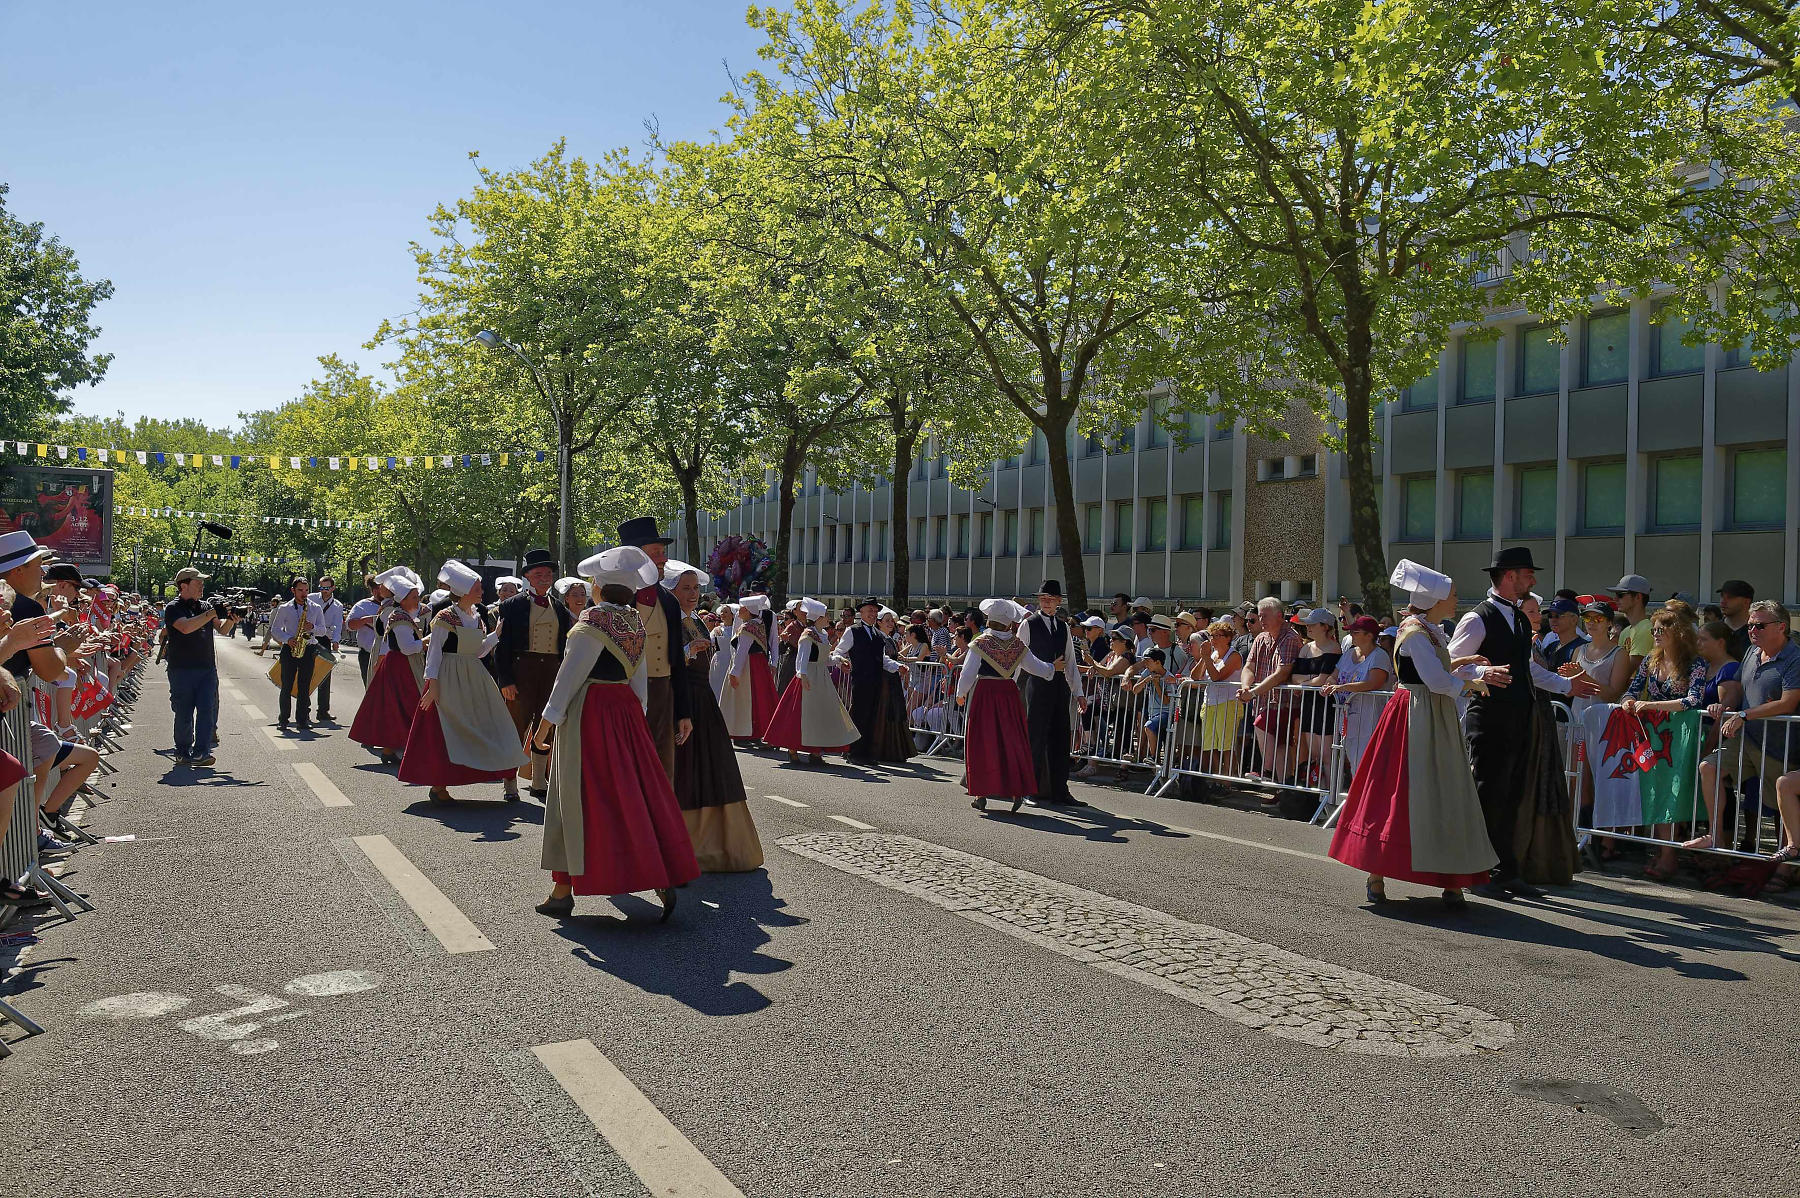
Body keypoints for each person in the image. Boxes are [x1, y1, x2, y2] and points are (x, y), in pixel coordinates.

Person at [535, 546, 699, 921]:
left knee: (574, 796)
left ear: (598, 587)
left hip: (589, 712)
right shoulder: (635, 625)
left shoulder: (590, 622)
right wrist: (634, 722)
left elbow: (568, 679)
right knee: (635, 793)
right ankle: (658, 869)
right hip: (624, 711)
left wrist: (546, 722)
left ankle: (563, 890)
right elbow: (638, 684)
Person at [1328, 560, 1497, 909]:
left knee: (1444, 791)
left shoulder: (1430, 630)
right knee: (1403, 791)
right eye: (1451, 596)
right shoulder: (1415, 634)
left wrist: (1462, 667)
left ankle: (1451, 878)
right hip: (1415, 715)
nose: (1455, 601)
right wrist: (1471, 681)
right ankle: (1382, 872)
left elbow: (1437, 670)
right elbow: (1433, 681)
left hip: (1431, 713)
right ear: (1435, 600)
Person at [1450, 548, 1596, 897]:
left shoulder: (1517, 618)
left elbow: (1525, 668)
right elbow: (1451, 661)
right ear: (1510, 575)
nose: (1533, 579)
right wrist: (1483, 671)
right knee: (1489, 793)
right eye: (1528, 573)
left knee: (1513, 795)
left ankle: (1506, 869)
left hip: (1518, 718)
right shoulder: (1477, 617)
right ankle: (1477, 872)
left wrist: (1564, 685)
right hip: (1488, 717)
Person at [663, 560, 763, 872]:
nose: (693, 594)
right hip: (681, 700)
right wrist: (689, 650)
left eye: (695, 588)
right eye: (686, 589)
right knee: (687, 769)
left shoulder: (696, 621)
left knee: (715, 767)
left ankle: (720, 842)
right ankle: (682, 842)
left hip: (703, 701)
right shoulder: (667, 622)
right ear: (671, 591)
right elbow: (660, 663)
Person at [398, 562, 526, 804]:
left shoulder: (477, 617)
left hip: (474, 676)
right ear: (465, 590)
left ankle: (499, 772)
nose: (481, 590)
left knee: (490, 725)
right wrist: (432, 683)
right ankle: (439, 784)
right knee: (445, 729)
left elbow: (477, 652)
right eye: (477, 587)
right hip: (448, 676)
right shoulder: (445, 616)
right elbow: (434, 652)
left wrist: (495, 636)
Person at [1697, 601, 1800, 856]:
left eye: (1759, 625)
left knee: (1780, 804)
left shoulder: (1795, 658)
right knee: (1709, 767)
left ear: (1781, 627)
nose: (1752, 630)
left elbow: (1788, 703)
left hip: (1779, 744)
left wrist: (1744, 714)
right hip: (1747, 739)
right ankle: (1716, 836)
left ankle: (1787, 863)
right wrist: (1725, 706)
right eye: (1751, 625)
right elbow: (1739, 688)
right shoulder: (1751, 652)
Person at [959, 598, 1054, 814]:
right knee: (1012, 741)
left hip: (985, 693)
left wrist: (960, 693)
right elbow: (1035, 667)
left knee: (983, 741)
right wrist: (1052, 668)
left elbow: (968, 672)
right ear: (1009, 623)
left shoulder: (981, 642)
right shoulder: (1017, 645)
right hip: (1009, 694)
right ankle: (1016, 790)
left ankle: (982, 793)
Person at [617, 518, 694, 783]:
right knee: (627, 765)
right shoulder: (618, 596)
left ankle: (660, 821)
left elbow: (677, 661)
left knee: (663, 766)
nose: (663, 558)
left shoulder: (669, 601)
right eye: (657, 552)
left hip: (663, 692)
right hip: (625, 693)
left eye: (663, 552)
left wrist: (683, 712)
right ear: (637, 556)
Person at [492, 549, 570, 799]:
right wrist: (506, 680)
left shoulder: (559, 608)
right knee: (515, 727)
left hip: (550, 670)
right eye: (539, 574)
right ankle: (509, 782)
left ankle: (538, 780)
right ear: (528, 577)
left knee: (545, 726)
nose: (545, 578)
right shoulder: (511, 606)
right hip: (521, 670)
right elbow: (501, 648)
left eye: (548, 574)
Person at [765, 597, 862, 765]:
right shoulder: (808, 635)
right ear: (818, 618)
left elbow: (824, 659)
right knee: (802, 714)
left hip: (821, 676)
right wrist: (802, 675)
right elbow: (801, 660)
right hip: (809, 677)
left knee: (820, 714)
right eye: (826, 616)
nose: (828, 619)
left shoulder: (822, 635)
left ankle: (815, 751)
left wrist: (839, 660)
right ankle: (794, 748)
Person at [349, 567, 427, 767]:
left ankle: (390, 747)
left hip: (391, 657)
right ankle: (402, 747)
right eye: (415, 596)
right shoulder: (395, 612)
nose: (418, 600)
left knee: (390, 704)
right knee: (402, 705)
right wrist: (426, 642)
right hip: (397, 660)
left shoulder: (389, 608)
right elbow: (398, 643)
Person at [1018, 581, 1085, 807]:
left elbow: (1071, 662)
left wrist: (1079, 692)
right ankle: (1029, 789)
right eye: (1043, 598)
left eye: (1051, 598)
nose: (1046, 602)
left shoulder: (1063, 626)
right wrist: (1046, 668)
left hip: (1059, 688)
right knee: (1035, 738)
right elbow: (1020, 657)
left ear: (1058, 601)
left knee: (1060, 738)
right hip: (1036, 685)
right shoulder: (1028, 625)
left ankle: (1060, 790)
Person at [161, 566, 226, 767]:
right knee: (184, 712)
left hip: (206, 668)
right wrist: (212, 613)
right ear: (184, 585)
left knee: (207, 709)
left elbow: (222, 629)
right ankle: (182, 751)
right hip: (181, 669)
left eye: (202, 583)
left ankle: (202, 752)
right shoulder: (173, 607)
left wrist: (232, 618)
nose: (202, 586)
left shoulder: (205, 606)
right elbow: (186, 627)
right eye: (198, 583)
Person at [1238, 597, 1301, 785]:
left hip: (1285, 703)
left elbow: (1282, 673)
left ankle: (1267, 770)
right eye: (1259, 616)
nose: (1261, 620)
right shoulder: (1260, 638)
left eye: (1265, 616)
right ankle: (1282, 786)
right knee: (1280, 747)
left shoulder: (1290, 638)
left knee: (1262, 726)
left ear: (1280, 616)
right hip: (1264, 702)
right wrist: (1245, 687)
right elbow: (1249, 667)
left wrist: (1254, 692)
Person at [1322, 616, 1391, 781]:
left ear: (1369, 635)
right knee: (1354, 761)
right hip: (1347, 717)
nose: (1351, 635)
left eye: (1356, 632)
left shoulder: (1379, 655)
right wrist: (1329, 684)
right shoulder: (1349, 653)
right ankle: (1358, 800)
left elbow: (1374, 683)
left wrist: (1343, 687)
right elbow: (1334, 676)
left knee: (1366, 762)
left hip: (1369, 718)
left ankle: (1365, 800)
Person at [836, 597, 903, 766]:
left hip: (876, 680)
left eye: (875, 611)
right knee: (860, 715)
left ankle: (867, 752)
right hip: (860, 679)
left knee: (872, 716)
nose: (873, 614)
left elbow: (882, 658)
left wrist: (898, 666)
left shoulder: (878, 634)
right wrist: (841, 662)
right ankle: (854, 752)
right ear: (861, 612)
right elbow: (840, 651)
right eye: (870, 611)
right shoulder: (853, 631)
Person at [259, 576, 327, 731]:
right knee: (286, 686)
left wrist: (313, 627)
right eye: (300, 590)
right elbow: (275, 630)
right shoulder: (285, 608)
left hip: (308, 649)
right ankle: (283, 719)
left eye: (306, 590)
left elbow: (322, 630)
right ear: (293, 591)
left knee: (304, 687)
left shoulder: (315, 608)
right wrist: (287, 639)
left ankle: (302, 720)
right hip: (290, 649)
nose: (304, 594)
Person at [1289, 608, 1343, 789]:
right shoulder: (1306, 648)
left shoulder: (1334, 648)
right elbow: (1295, 677)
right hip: (1309, 703)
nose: (1308, 627)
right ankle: (1318, 792)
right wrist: (1308, 681)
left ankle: (1330, 794)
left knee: (1326, 755)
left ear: (1325, 626)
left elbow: (1322, 679)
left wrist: (1305, 681)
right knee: (1314, 754)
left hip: (1326, 704)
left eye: (1313, 624)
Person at [721, 594, 777, 744]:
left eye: (741, 608)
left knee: (744, 699)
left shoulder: (747, 627)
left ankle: (743, 733)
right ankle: (756, 731)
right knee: (759, 699)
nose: (739, 611)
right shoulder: (758, 624)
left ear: (747, 610)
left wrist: (735, 672)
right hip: (758, 664)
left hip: (748, 665)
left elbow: (741, 651)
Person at [346, 575, 386, 684]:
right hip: (368, 655)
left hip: (389, 654)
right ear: (374, 590)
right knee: (371, 688)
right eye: (380, 588)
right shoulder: (362, 605)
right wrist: (365, 620)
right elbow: (349, 625)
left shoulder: (394, 605)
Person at [1540, 598, 1588, 671]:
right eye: (1550, 616)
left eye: (1558, 615)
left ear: (1574, 619)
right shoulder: (1551, 647)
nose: (1553, 620)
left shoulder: (1584, 648)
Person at [1717, 579, 1755, 662]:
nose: (1723, 601)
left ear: (1746, 601)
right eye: (1722, 596)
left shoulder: (1756, 632)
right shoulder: (1713, 630)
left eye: (1730, 597)